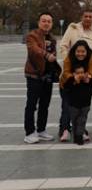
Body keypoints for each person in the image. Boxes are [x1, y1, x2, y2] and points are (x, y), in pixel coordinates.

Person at [58, 9, 92, 142]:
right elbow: (63, 46)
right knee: (67, 104)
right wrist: (69, 61)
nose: (88, 18)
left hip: (86, 74)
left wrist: (90, 73)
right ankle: (65, 129)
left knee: (82, 107)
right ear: (81, 17)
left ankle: (80, 130)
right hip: (71, 71)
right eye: (85, 16)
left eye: (90, 16)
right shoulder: (73, 29)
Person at [24, 12, 59, 144]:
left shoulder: (52, 38)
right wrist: (46, 55)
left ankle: (41, 130)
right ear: (39, 22)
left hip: (47, 75)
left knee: (45, 104)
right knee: (31, 104)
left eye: (49, 21)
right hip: (34, 75)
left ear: (52, 24)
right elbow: (34, 50)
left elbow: (53, 54)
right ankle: (29, 132)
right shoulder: (32, 36)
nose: (46, 23)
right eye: (44, 21)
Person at [59, 40, 92, 143]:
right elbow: (66, 73)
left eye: (83, 51)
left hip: (82, 87)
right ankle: (65, 130)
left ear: (87, 51)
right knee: (67, 108)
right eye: (78, 51)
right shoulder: (69, 58)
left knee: (82, 110)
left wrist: (86, 77)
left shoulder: (91, 58)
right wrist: (74, 77)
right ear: (74, 51)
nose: (80, 54)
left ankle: (81, 131)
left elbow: (91, 72)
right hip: (67, 85)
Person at [63, 63, 92, 145]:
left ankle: (79, 136)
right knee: (74, 121)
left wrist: (88, 82)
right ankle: (76, 136)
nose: (80, 75)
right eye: (78, 73)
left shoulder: (88, 79)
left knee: (82, 121)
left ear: (85, 73)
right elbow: (66, 87)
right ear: (74, 74)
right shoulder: (71, 80)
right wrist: (74, 82)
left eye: (82, 72)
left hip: (85, 105)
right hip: (73, 105)